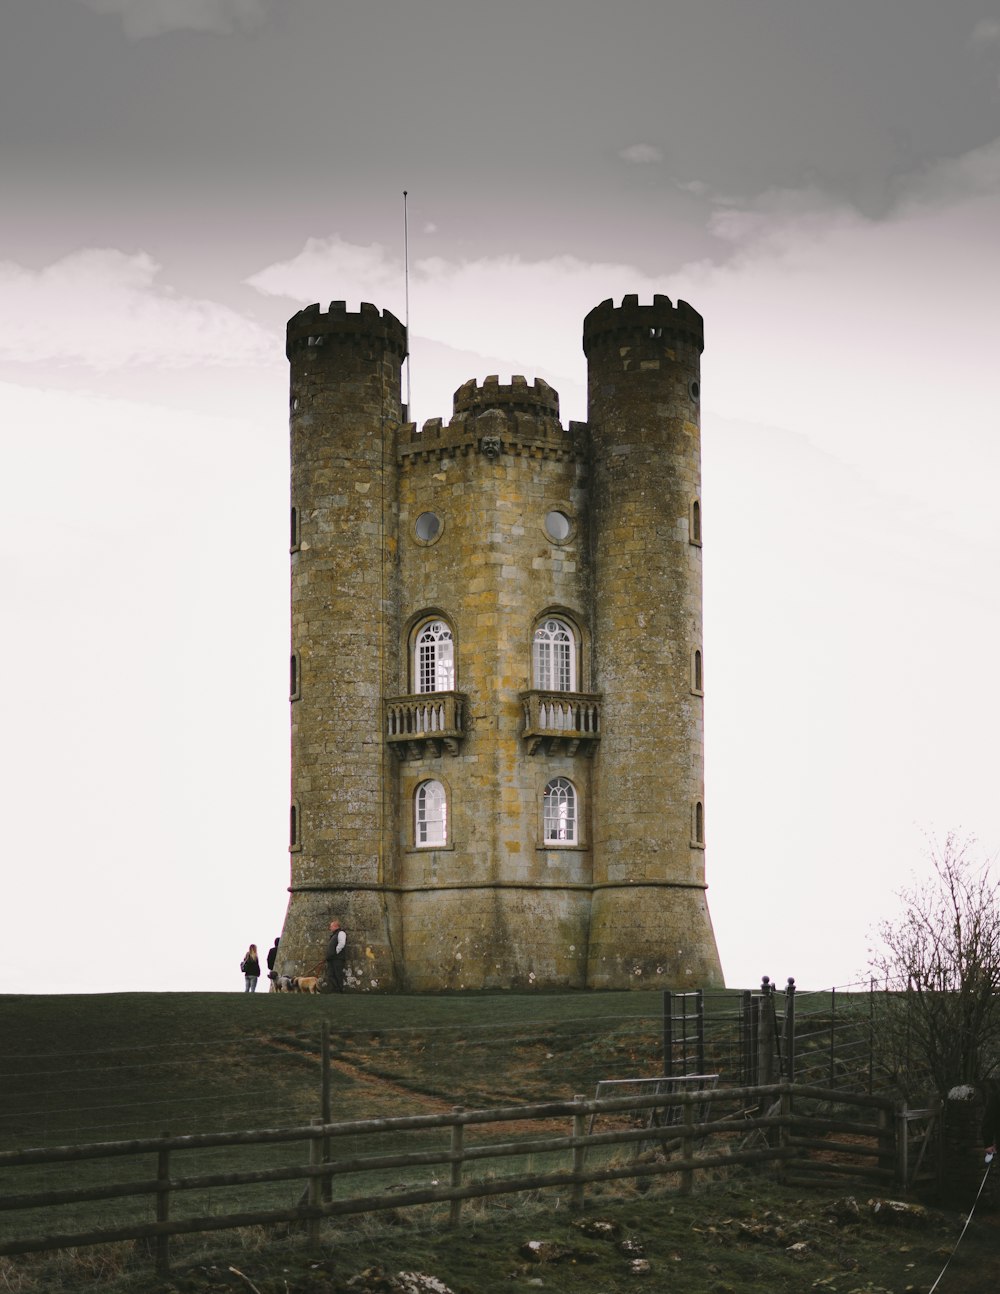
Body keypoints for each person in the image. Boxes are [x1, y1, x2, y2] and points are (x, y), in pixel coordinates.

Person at [325, 920, 347, 993]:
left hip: (337, 959)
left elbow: (342, 943)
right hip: (332, 959)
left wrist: (334, 953)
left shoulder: (341, 933)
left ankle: (339, 990)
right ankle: (335, 989)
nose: (330, 928)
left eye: (331, 926)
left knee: (338, 974)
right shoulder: (334, 935)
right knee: (331, 974)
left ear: (336, 926)